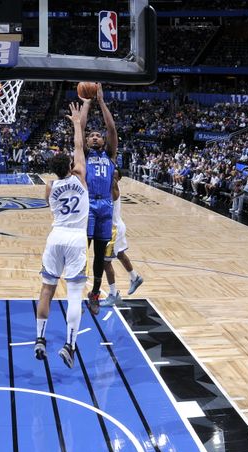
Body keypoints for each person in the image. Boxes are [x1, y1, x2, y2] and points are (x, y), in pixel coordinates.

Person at [35, 102, 88, 369]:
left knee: (46, 290)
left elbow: (50, 203)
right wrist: (77, 122)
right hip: (76, 238)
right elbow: (79, 148)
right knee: (75, 293)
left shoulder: (50, 186)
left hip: (55, 237)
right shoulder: (80, 178)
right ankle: (69, 345)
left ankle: (40, 339)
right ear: (70, 165)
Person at [78, 83, 117, 314]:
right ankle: (77, 290)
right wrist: (86, 103)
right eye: (91, 136)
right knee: (83, 251)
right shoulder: (83, 154)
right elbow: (79, 129)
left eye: (97, 136)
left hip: (106, 206)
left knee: (100, 256)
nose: (94, 137)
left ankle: (95, 293)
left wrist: (101, 101)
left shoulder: (110, 155)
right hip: (88, 204)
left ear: (103, 142)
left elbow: (111, 129)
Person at [100, 169, 143, 307]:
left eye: (114, 174)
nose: (111, 175)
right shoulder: (107, 188)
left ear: (117, 179)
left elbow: (110, 180)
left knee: (105, 263)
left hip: (113, 230)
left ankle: (113, 295)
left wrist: (107, 163)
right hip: (117, 226)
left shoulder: (114, 188)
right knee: (120, 254)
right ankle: (135, 277)